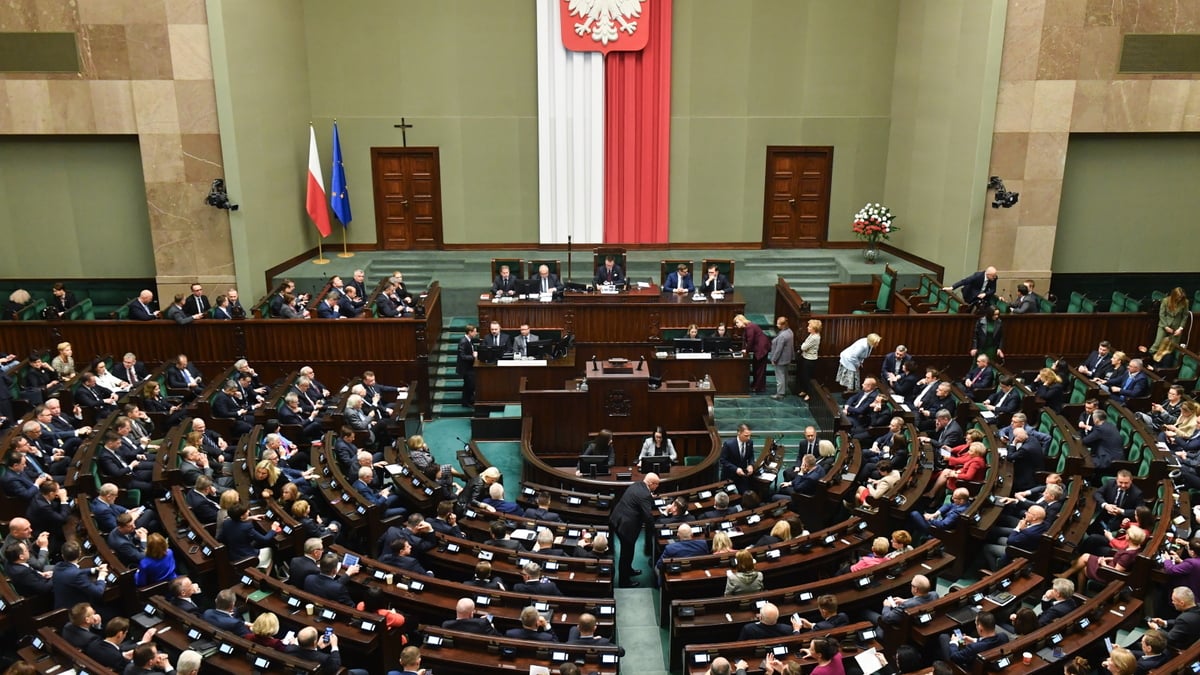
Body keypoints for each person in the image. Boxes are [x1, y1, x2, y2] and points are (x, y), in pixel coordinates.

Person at [609, 473, 660, 588]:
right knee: (626, 554)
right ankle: (624, 581)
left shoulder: (636, 485)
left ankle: (628, 570)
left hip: (617, 519)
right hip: (626, 527)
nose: (657, 487)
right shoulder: (645, 495)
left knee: (629, 550)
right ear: (651, 484)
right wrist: (655, 529)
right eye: (657, 485)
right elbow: (648, 516)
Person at [1058, 525, 1144, 590]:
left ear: (1129, 537)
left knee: (1085, 558)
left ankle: (1065, 575)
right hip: (1109, 565)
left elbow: (1116, 572)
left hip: (1107, 574)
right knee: (1083, 565)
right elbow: (1119, 561)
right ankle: (1078, 591)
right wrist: (1107, 559)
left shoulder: (1128, 556)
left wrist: (1103, 564)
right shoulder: (1135, 547)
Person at [940, 611, 1007, 667]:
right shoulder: (1003, 637)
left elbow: (954, 657)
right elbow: (986, 642)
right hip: (989, 665)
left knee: (944, 637)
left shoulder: (974, 647)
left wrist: (954, 643)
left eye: (976, 624)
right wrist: (974, 640)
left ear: (980, 628)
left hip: (968, 669)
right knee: (962, 644)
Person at [1148, 586, 1200, 652]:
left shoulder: (1184, 619)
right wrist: (1164, 622)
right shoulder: (1197, 607)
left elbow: (1169, 638)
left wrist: (1157, 628)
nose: (1172, 602)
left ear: (1182, 603)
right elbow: (1183, 624)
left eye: (1173, 600)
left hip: (1179, 648)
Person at [1146, 286, 1189, 365]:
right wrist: (1165, 326)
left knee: (1171, 347)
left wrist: (1181, 328)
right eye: (1178, 297)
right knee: (1157, 343)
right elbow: (1162, 314)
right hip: (1164, 325)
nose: (1179, 299)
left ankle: (1165, 365)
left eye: (1181, 297)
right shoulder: (1166, 301)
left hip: (1176, 327)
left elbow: (1185, 316)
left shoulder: (1185, 302)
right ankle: (1152, 362)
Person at [734, 314, 771, 393]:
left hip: (762, 349)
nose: (736, 325)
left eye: (737, 322)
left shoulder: (749, 327)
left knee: (760, 369)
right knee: (755, 367)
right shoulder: (747, 327)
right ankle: (755, 384)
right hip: (758, 349)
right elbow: (745, 339)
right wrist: (744, 348)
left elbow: (750, 341)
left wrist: (746, 350)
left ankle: (759, 387)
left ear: (741, 320)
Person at [720, 423, 757, 493]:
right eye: (746, 436)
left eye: (749, 435)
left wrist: (751, 465)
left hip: (742, 474)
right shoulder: (728, 444)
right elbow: (722, 460)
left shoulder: (750, 442)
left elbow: (751, 456)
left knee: (745, 495)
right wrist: (735, 469)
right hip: (729, 475)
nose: (748, 438)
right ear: (739, 433)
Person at [795, 319, 821, 402]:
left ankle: (809, 394)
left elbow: (803, 347)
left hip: (810, 360)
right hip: (805, 357)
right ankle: (805, 391)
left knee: (808, 377)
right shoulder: (811, 335)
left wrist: (803, 345)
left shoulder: (815, 337)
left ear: (814, 328)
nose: (807, 327)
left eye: (809, 326)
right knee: (803, 376)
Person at [769, 316, 794, 400]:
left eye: (778, 324)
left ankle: (780, 394)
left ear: (782, 325)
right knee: (784, 375)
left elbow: (779, 349)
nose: (777, 325)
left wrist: (774, 359)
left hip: (781, 359)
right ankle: (784, 390)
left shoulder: (783, 336)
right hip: (787, 358)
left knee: (780, 377)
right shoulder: (789, 331)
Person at [456, 324, 477, 407]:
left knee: (468, 385)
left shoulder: (468, 340)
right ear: (470, 332)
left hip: (468, 368)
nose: (476, 333)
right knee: (469, 385)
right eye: (475, 332)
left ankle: (467, 401)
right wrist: (473, 356)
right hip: (466, 369)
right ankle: (467, 402)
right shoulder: (463, 341)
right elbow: (463, 356)